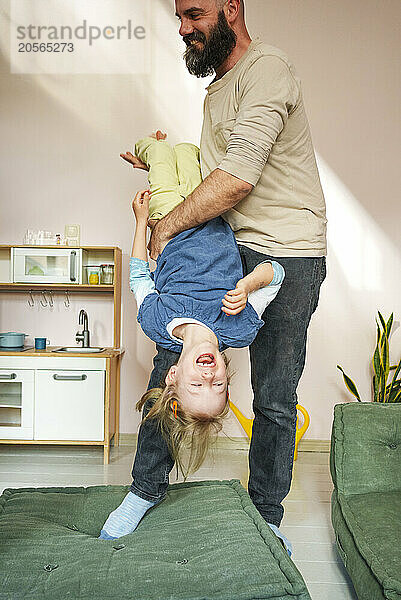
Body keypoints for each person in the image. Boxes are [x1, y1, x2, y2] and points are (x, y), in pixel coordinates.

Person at [101, 0, 327, 556]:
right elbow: (210, 174)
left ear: (231, 9)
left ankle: (266, 517)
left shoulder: (268, 69)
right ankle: (144, 491)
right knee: (166, 375)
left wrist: (163, 229)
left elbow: (236, 178)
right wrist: (160, 160)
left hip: (288, 254)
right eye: (180, 17)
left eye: (194, 14)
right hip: (228, 244)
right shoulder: (217, 90)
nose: (184, 28)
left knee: (274, 397)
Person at [98, 134, 285, 541]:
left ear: (172, 375)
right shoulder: (239, 327)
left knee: (162, 155)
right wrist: (251, 283)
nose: (208, 376)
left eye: (196, 385)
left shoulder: (156, 323)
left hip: (168, 217)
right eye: (216, 385)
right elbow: (278, 274)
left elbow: (138, 277)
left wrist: (141, 222)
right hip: (211, 211)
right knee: (190, 153)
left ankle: (148, 143)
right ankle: (163, 146)